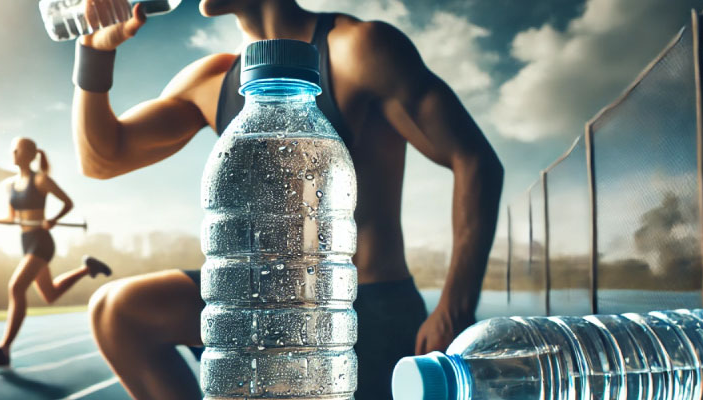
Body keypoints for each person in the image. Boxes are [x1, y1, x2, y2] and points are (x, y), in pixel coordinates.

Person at [73, 1, 503, 398]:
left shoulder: (359, 49)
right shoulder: (212, 81)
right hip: (261, 303)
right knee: (119, 311)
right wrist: (94, 50)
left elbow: (474, 160)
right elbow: (102, 158)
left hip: (362, 308)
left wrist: (454, 306)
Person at [0, 137, 113, 368]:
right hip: (25, 240)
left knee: (16, 287)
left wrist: (54, 220)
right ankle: (88, 268)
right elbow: (12, 218)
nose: (13, 153)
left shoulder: (41, 180)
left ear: (28, 154)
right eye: (13, 150)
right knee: (50, 294)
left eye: (17, 150)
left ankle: (3, 349)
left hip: (41, 241)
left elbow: (68, 203)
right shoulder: (10, 185)